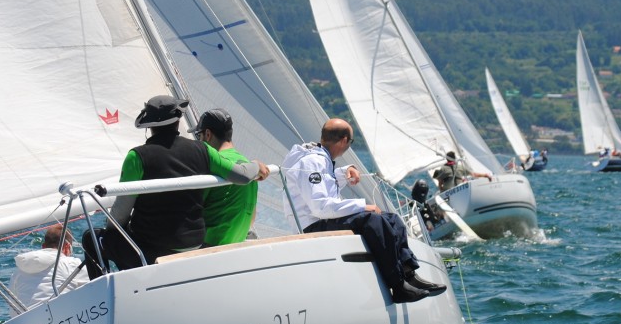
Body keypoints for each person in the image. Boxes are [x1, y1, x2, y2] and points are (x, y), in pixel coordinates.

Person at [83, 95, 268, 275]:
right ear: (178, 121)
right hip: (194, 245)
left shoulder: (137, 157)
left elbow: (120, 213)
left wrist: (110, 236)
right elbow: (242, 176)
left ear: (149, 127)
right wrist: (256, 165)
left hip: (152, 250)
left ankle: (114, 294)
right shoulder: (203, 150)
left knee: (92, 238)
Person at [282, 118, 445, 304]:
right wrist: (362, 206)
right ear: (344, 141)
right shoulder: (312, 162)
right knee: (374, 220)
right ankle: (398, 285)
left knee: (392, 219)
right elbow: (319, 206)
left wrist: (345, 171)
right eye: (350, 143)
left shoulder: (318, 159)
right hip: (312, 225)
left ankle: (409, 274)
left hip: (320, 219)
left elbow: (323, 182)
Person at [195, 108, 259, 247]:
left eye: (198, 136)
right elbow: (252, 218)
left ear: (207, 134)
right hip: (236, 247)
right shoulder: (249, 166)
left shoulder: (211, 165)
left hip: (207, 249)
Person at [9, 224, 88, 312]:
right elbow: (95, 286)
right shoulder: (71, 264)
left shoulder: (19, 271)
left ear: (43, 246)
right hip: (61, 321)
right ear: (67, 247)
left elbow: (13, 308)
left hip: (26, 323)